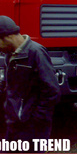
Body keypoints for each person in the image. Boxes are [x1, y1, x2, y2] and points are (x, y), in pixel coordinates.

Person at [0, 15, 61, 151]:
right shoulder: (10, 54)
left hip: (32, 127)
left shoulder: (36, 52)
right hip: (14, 123)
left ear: (7, 37)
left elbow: (52, 91)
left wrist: (36, 120)